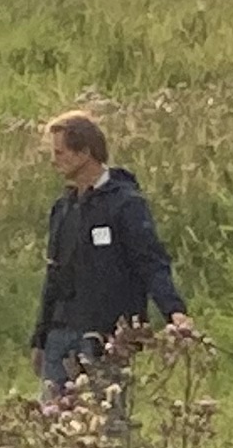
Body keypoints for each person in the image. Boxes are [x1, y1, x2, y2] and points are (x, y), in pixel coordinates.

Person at [31, 110, 191, 423]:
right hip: (61, 336)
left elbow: (151, 263)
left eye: (60, 153)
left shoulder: (126, 204)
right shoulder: (62, 209)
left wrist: (175, 312)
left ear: (85, 152)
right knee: (53, 425)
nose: (54, 161)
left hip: (107, 338)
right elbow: (53, 276)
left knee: (107, 425)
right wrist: (40, 338)